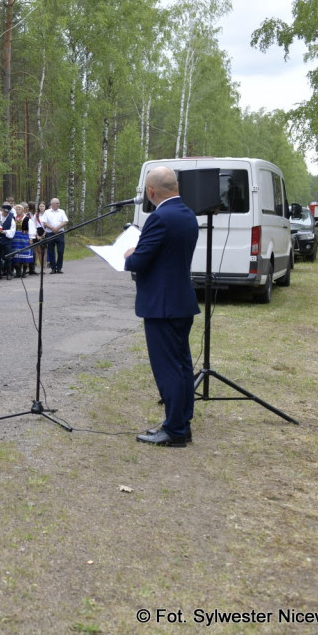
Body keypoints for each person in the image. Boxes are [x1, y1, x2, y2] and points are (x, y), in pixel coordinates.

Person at [124, 166, 201, 448]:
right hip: (180, 301)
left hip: (162, 306)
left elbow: (138, 261)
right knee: (181, 367)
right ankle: (182, 422)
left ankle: (175, 430)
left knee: (168, 369)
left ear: (151, 191)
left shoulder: (160, 218)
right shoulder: (187, 214)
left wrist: (130, 254)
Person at [42, 197, 69, 274]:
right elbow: (45, 222)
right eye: (57, 203)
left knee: (60, 251)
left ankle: (59, 267)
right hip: (50, 233)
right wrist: (52, 228)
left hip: (60, 233)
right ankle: (53, 268)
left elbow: (65, 221)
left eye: (59, 203)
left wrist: (57, 228)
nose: (58, 204)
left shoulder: (61, 211)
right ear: (52, 204)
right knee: (51, 251)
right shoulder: (47, 212)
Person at [0, 203, 16, 280]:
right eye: (4, 212)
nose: (6, 213)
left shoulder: (11, 220)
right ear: (2, 210)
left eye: (7, 212)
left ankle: (9, 273)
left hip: (6, 241)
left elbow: (12, 231)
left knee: (8, 258)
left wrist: (4, 232)